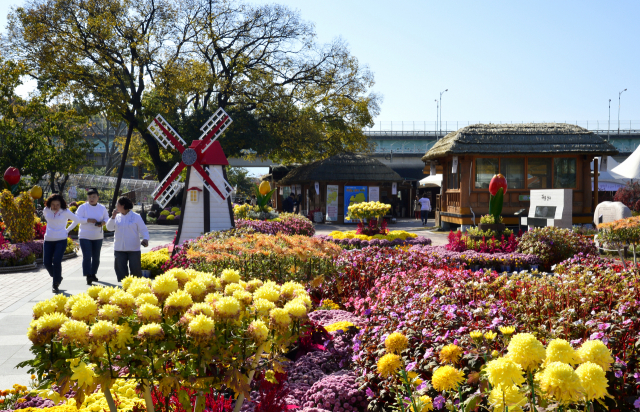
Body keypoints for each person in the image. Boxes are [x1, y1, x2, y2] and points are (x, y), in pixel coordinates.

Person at [43, 194, 90, 293]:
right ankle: (57, 276)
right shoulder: (46, 210)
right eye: (53, 204)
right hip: (48, 240)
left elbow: (76, 220)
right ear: (49, 204)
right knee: (46, 262)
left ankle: (55, 284)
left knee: (56, 261)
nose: (55, 207)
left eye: (57, 204)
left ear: (61, 204)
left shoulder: (65, 212)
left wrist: (67, 230)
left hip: (61, 239)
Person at [106, 197, 150, 281]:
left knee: (136, 272)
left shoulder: (136, 217)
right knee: (121, 273)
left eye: (117, 204)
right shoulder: (116, 217)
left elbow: (143, 229)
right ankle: (124, 289)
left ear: (123, 205)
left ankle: (136, 290)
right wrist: (113, 217)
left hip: (134, 249)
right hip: (119, 248)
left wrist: (145, 239)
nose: (116, 206)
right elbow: (109, 228)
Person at [76, 188, 110, 286]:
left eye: (94, 197)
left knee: (96, 257)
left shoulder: (102, 208)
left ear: (98, 198)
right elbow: (77, 218)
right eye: (90, 197)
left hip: (97, 236)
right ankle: (88, 275)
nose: (92, 199)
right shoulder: (83, 207)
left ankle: (93, 273)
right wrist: (88, 220)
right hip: (84, 235)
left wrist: (103, 223)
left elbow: (107, 219)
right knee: (87, 256)